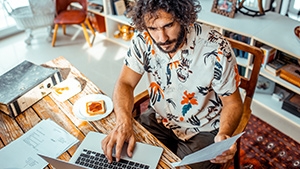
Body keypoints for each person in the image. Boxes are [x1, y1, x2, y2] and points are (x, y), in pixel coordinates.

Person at [101, 0, 243, 168]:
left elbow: (233, 103)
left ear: (183, 17)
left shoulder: (216, 48)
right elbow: (125, 82)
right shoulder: (142, 39)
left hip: (203, 128)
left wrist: (224, 133)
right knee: (124, 159)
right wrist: (123, 122)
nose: (162, 38)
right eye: (153, 28)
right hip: (159, 118)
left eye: (168, 25)